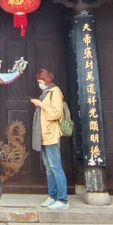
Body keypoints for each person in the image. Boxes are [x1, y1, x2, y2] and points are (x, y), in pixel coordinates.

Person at [29, 68, 68, 210]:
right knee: (48, 168)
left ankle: (63, 199)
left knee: (56, 167)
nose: (39, 84)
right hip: (43, 135)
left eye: (40, 82)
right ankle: (52, 196)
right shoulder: (46, 93)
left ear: (46, 80)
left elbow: (56, 114)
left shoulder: (55, 92)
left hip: (51, 134)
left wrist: (41, 105)